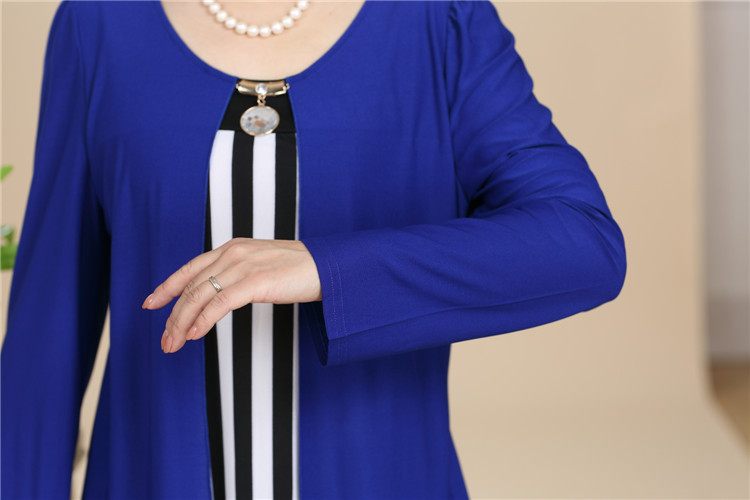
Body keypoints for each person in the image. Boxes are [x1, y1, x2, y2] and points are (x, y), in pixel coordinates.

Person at [1, 0, 627, 499]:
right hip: (152, 476)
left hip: (380, 478)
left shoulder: (441, 20)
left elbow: (582, 242)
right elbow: (44, 341)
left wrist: (326, 268)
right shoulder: (97, 22)